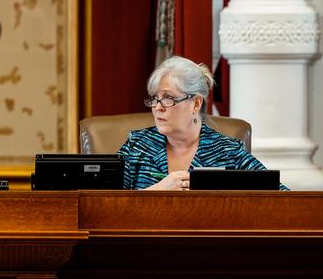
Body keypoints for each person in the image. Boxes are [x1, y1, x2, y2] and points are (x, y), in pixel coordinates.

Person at [117, 55, 288, 190]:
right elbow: (105, 203)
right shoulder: (137, 146)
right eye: (155, 98)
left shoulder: (227, 151)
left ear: (196, 103)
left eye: (168, 98)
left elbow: (281, 197)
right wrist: (157, 191)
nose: (157, 108)